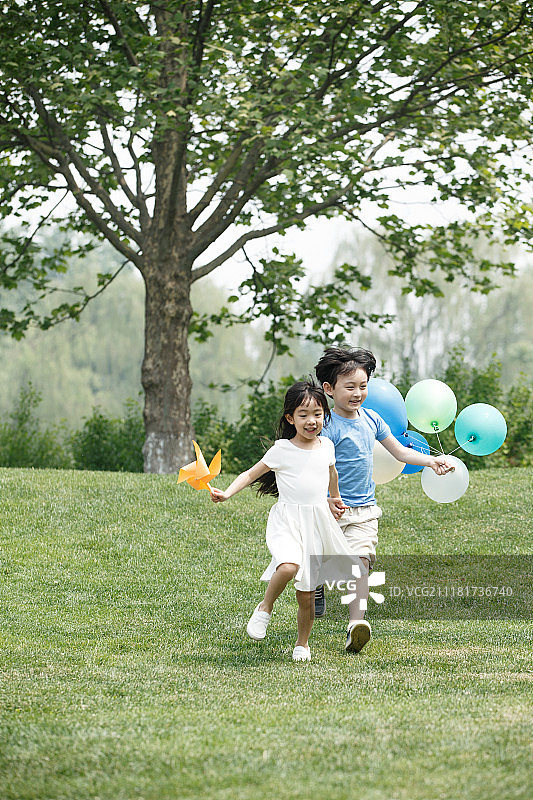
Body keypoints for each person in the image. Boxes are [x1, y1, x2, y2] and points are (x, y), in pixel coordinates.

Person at [314, 346, 455, 654]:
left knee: (361, 563)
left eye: (363, 386)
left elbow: (400, 452)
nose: (357, 393)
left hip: (363, 510)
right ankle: (316, 581)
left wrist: (432, 462)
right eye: (349, 387)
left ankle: (356, 625)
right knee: (323, 560)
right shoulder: (325, 425)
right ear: (329, 389)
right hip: (329, 509)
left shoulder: (372, 419)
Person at [211, 379, 358, 663]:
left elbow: (331, 474)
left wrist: (333, 498)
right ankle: (265, 607)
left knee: (307, 594)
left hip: (316, 523)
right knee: (289, 565)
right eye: (303, 415)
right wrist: (228, 492)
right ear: (291, 418)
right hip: (288, 519)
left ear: (324, 416)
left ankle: (302, 644)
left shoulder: (327, 445)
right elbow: (250, 475)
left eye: (317, 414)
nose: (311, 421)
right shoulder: (281, 449)